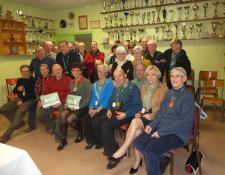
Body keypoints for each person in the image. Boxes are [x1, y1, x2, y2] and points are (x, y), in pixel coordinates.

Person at [134, 67, 195, 175]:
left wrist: (161, 132)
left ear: (184, 78)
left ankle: (155, 162)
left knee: (150, 151)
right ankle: (161, 159)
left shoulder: (188, 97)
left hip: (178, 133)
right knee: (138, 142)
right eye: (172, 76)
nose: (174, 79)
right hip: (162, 127)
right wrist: (152, 125)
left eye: (177, 76)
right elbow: (160, 112)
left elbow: (183, 123)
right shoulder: (169, 93)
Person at [106, 65, 168, 172]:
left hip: (157, 119)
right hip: (145, 116)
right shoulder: (144, 88)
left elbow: (164, 111)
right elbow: (141, 106)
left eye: (153, 75)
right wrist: (139, 113)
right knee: (136, 130)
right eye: (148, 75)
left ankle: (123, 149)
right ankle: (137, 160)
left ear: (158, 75)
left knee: (134, 123)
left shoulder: (164, 89)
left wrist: (151, 115)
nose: (150, 77)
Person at [92, 68, 142, 157]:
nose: (118, 78)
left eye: (119, 75)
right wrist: (108, 110)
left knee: (106, 126)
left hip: (128, 114)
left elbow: (138, 107)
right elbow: (110, 102)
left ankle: (113, 152)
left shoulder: (132, 87)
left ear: (125, 75)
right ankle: (111, 145)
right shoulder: (116, 88)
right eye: (115, 77)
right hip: (115, 112)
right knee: (96, 122)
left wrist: (125, 114)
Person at [57, 62, 92, 151]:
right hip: (73, 105)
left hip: (83, 106)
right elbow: (72, 95)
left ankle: (81, 132)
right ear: (71, 71)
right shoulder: (72, 82)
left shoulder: (85, 81)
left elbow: (89, 97)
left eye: (77, 71)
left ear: (81, 71)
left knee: (70, 119)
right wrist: (67, 103)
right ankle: (63, 139)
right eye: (74, 71)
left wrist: (79, 106)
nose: (75, 73)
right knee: (63, 115)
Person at [0, 65, 36, 143]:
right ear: (21, 72)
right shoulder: (20, 80)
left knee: (19, 113)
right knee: (3, 108)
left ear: (30, 72)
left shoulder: (34, 80)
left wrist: (23, 101)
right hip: (19, 99)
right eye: (23, 71)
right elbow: (14, 91)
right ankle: (19, 122)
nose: (25, 73)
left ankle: (7, 134)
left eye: (27, 71)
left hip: (30, 100)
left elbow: (33, 93)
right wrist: (18, 88)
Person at [36, 64, 71, 143]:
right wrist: (46, 103)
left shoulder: (68, 79)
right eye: (55, 70)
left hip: (63, 102)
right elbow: (47, 93)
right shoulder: (50, 81)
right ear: (53, 72)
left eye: (59, 69)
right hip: (52, 102)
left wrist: (61, 102)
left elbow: (69, 92)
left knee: (61, 115)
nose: (57, 71)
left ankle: (57, 133)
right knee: (40, 115)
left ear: (62, 70)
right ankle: (55, 126)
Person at [83, 65, 114, 150]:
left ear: (106, 73)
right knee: (87, 117)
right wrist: (91, 108)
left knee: (94, 119)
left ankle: (100, 141)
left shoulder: (109, 83)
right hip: (95, 108)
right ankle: (91, 140)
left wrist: (98, 109)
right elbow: (93, 98)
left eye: (103, 72)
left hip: (105, 108)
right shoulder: (95, 84)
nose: (100, 73)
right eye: (99, 71)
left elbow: (108, 98)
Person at [24, 64, 52, 133]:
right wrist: (39, 100)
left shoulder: (52, 78)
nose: (43, 71)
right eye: (41, 70)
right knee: (31, 106)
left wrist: (43, 100)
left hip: (49, 99)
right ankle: (31, 125)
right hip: (40, 99)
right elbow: (36, 90)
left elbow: (53, 92)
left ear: (48, 70)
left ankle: (49, 123)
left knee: (44, 106)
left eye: (45, 69)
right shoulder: (39, 79)